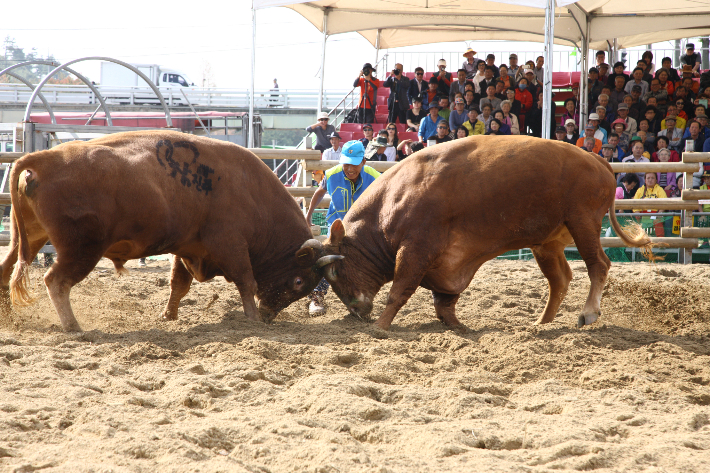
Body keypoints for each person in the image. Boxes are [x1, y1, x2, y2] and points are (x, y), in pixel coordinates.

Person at [304, 141, 381, 315]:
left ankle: (357, 301)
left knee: (361, 263)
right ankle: (316, 297)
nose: (350, 168)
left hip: (364, 228)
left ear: (363, 162)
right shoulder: (332, 174)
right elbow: (320, 191)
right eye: (346, 163)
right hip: (337, 225)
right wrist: (308, 216)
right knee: (327, 259)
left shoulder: (375, 177)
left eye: (354, 163)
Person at [633, 172, 668, 236]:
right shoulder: (640, 190)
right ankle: (638, 241)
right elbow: (634, 204)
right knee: (635, 220)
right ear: (645, 180)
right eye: (648, 178)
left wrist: (659, 213)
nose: (650, 180)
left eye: (652, 178)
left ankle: (660, 243)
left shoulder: (660, 189)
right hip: (642, 215)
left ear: (656, 180)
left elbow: (664, 203)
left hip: (656, 214)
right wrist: (637, 213)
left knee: (658, 221)